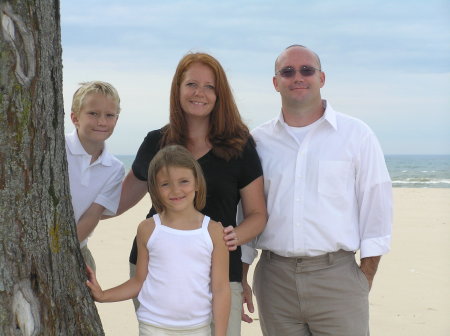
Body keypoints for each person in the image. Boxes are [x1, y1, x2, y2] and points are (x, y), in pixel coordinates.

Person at [241, 45, 393, 335]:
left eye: (306, 70)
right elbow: (247, 211)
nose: (297, 77)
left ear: (322, 78)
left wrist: (365, 276)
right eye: (287, 71)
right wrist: (243, 272)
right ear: (276, 83)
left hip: (338, 278)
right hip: (274, 281)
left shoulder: (357, 135)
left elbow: (377, 207)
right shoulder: (257, 141)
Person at [114, 52, 267, 335]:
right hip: (156, 272)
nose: (200, 93)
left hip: (220, 273)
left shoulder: (239, 146)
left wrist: (235, 235)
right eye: (192, 84)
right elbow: (117, 203)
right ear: (178, 89)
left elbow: (257, 215)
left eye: (210, 86)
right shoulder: (155, 142)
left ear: (220, 95)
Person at [87, 145, 231, 336]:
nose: (175, 190)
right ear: (154, 188)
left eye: (184, 181)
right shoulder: (148, 229)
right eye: (165, 184)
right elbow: (139, 282)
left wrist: (220, 334)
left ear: (197, 183)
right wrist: (103, 295)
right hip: (153, 327)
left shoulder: (213, 231)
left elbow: (221, 289)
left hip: (198, 329)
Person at [66, 81, 125, 271]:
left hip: (77, 249)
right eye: (93, 114)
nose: (102, 122)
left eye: (110, 115)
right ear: (75, 118)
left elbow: (92, 216)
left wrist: (61, 252)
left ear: (116, 119)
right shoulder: (57, 146)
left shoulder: (114, 168)